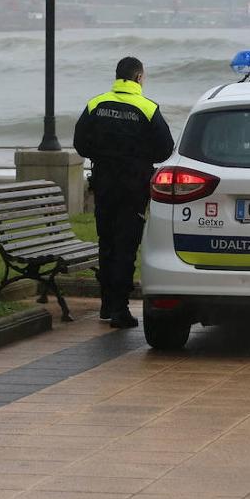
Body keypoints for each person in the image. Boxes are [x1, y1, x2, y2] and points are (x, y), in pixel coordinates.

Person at [74, 57, 174, 327]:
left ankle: (107, 305)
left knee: (106, 243)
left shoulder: (96, 104)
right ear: (139, 77)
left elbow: (80, 144)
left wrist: (103, 155)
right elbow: (165, 149)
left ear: (118, 76)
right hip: (133, 186)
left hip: (104, 184)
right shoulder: (148, 108)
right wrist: (138, 159)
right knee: (126, 246)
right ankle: (119, 310)